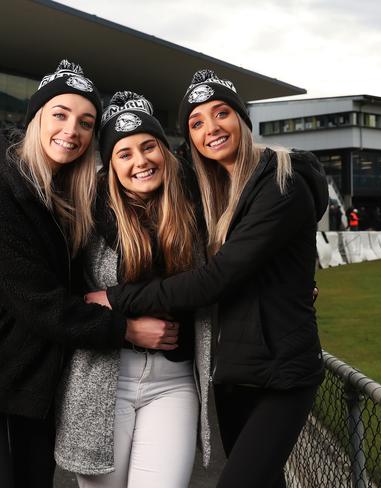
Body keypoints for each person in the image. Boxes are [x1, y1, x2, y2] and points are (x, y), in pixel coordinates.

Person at [0, 91, 212, 488]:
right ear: (109, 165)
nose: (140, 161)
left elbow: (222, 272)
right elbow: (35, 279)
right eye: (123, 153)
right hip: (100, 380)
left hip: (170, 382)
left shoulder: (193, 208)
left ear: (164, 151)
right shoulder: (85, 210)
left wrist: (291, 285)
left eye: (149, 146)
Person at [86, 70, 329, 488]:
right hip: (235, 374)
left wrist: (116, 297)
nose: (211, 128)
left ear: (242, 118)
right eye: (197, 123)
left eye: (221, 113)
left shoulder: (280, 182)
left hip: (281, 371)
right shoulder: (212, 191)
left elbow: (214, 279)